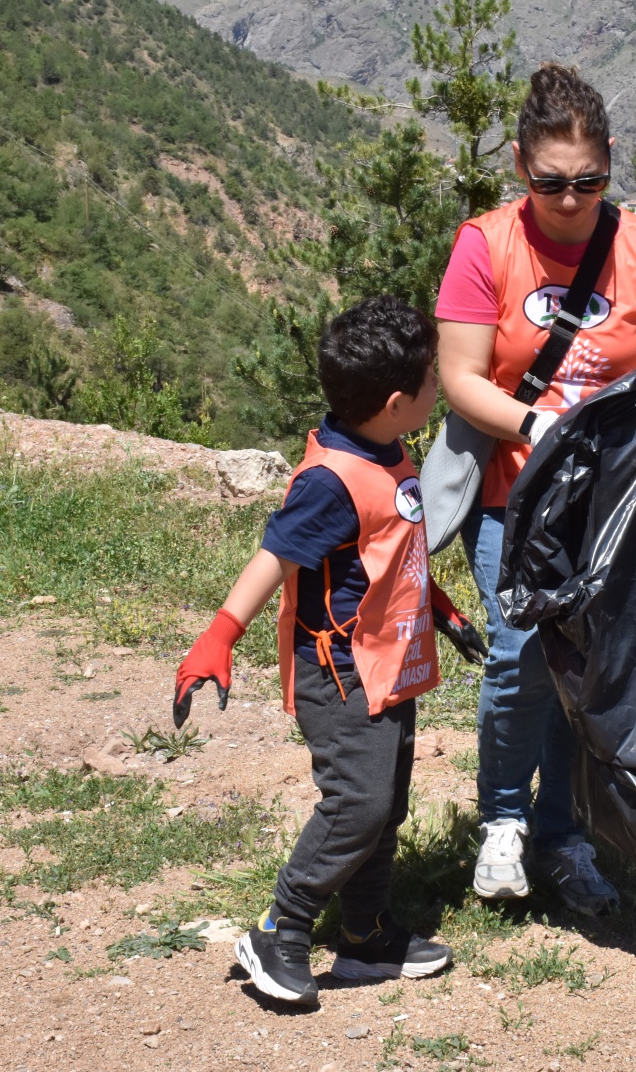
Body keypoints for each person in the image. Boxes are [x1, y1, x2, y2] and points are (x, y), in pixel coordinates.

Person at [436, 63, 636, 914]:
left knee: (585, 668)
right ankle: (504, 820)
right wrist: (537, 425)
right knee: (517, 654)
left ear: (611, 162)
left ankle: (565, 834)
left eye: (590, 181)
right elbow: (462, 378)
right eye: (551, 183)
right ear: (520, 167)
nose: (572, 199)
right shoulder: (487, 246)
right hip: (514, 491)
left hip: (611, 506)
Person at [171, 296, 484, 1005]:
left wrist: (444, 611)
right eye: (432, 379)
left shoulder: (383, 447)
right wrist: (221, 634)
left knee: (386, 805)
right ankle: (280, 926)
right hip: (340, 673)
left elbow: (391, 552)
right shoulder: (329, 481)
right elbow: (274, 556)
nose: (439, 386)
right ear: (399, 401)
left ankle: (367, 935)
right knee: (357, 806)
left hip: (388, 662)